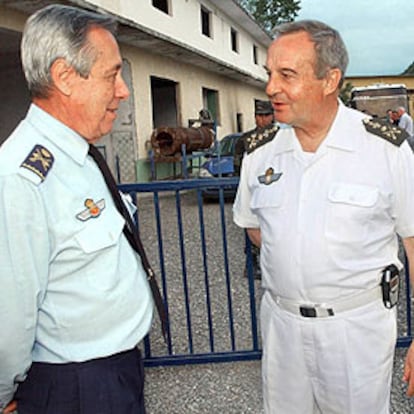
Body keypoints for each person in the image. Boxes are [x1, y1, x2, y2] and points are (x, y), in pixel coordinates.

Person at [233, 19, 414, 414]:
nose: (270, 88)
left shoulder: (385, 149)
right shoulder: (259, 153)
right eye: (269, 74)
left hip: (356, 330)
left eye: (287, 75)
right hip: (282, 328)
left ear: (330, 80)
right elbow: (254, 228)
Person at [0, 5, 160, 414]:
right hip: (75, 387)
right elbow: (9, 317)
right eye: (111, 75)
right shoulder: (21, 177)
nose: (122, 90)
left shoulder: (77, 153)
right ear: (65, 77)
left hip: (113, 373)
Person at [234, 100, 278, 280]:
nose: (262, 119)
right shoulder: (246, 140)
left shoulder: (282, 136)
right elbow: (237, 165)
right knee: (251, 225)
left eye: (266, 115)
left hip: (274, 188)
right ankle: (252, 264)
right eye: (259, 115)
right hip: (254, 188)